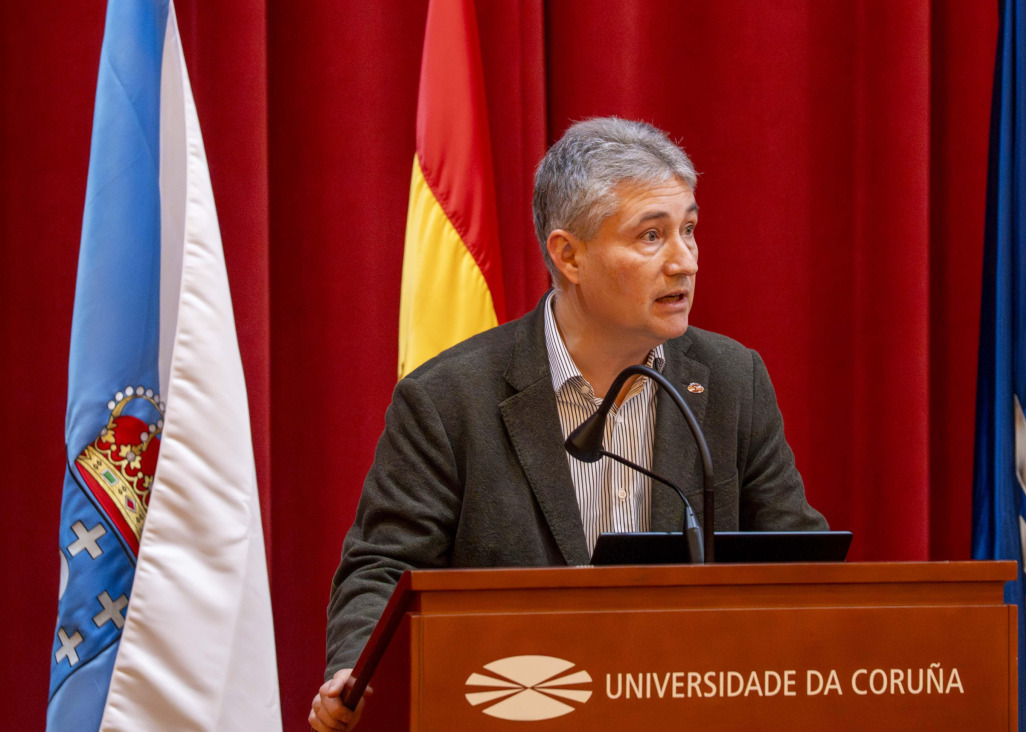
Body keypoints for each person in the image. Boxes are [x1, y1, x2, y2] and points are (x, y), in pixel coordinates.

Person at [309, 117, 828, 731]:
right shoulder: (448, 399)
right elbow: (382, 569)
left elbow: (799, 563)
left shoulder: (733, 380)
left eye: (688, 230)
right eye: (652, 236)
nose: (684, 262)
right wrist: (358, 671)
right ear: (568, 255)